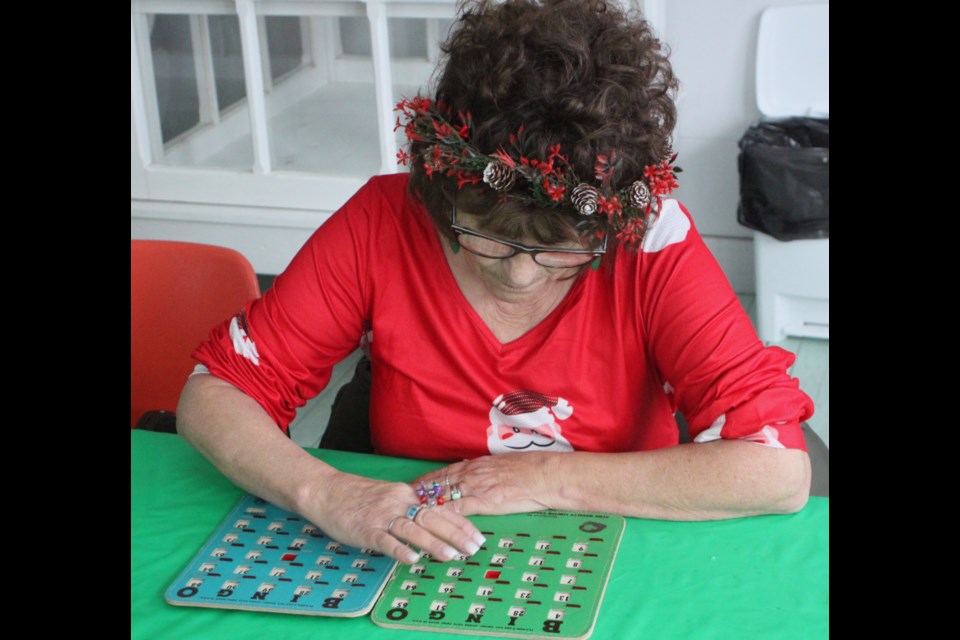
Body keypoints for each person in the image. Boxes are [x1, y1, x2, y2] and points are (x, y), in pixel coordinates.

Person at [177, 0, 814, 566]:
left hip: (614, 548)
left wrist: (545, 478)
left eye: (560, 249)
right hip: (417, 551)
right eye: (487, 233)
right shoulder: (385, 218)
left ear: (612, 225)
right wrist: (326, 490)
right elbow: (215, 393)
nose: (518, 273)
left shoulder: (650, 244)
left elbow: (778, 472)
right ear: (439, 186)